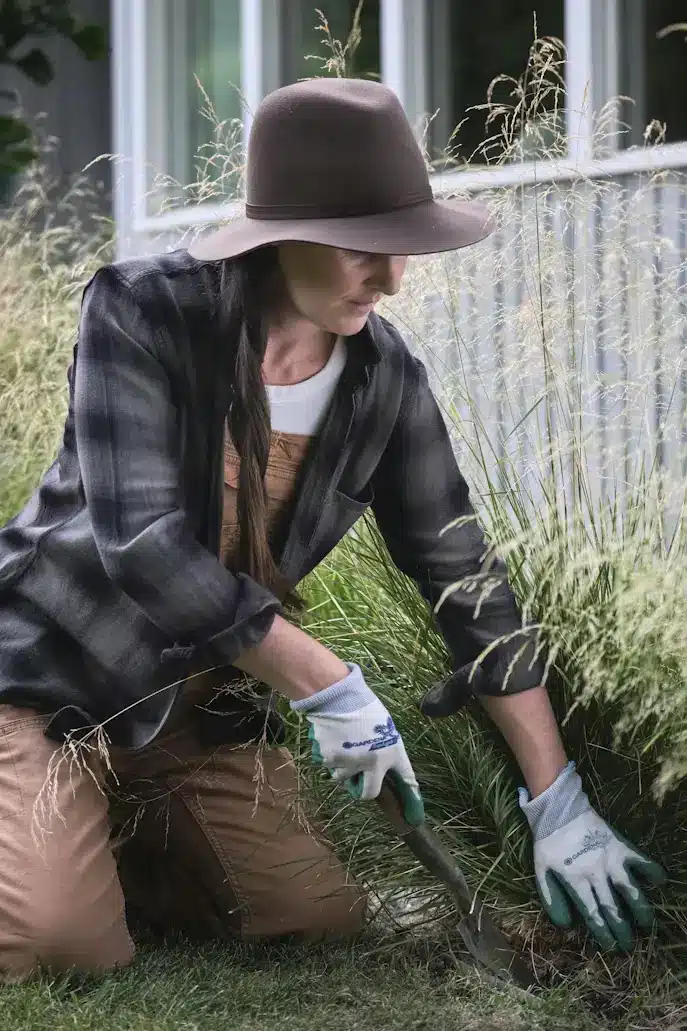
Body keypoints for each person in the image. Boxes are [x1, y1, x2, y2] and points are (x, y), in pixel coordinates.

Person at [0, 77, 666, 983]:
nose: (391, 278)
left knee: (312, 915)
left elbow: (463, 574)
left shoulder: (384, 380)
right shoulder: (143, 312)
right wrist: (328, 685)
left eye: (401, 248)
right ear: (283, 236)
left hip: (194, 715)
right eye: (365, 247)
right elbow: (142, 542)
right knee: (57, 946)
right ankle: (49, 824)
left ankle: (96, 836)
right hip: (48, 678)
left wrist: (557, 800)